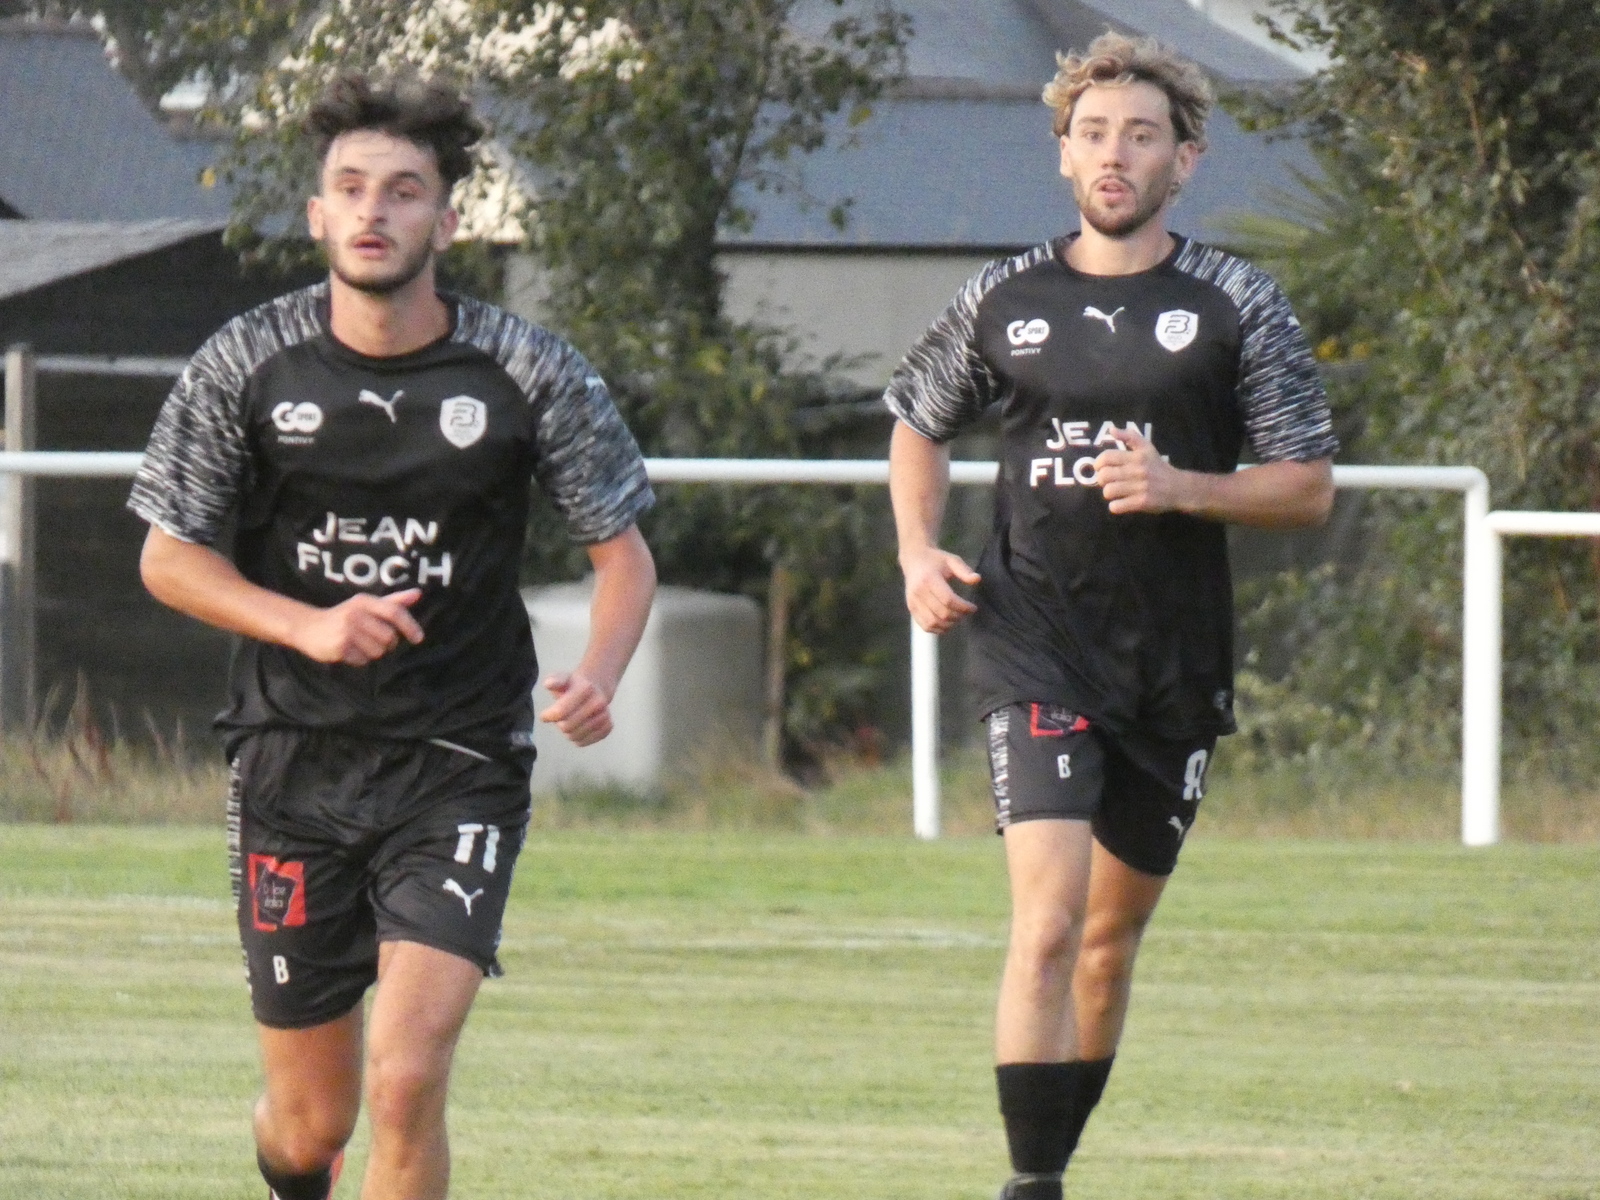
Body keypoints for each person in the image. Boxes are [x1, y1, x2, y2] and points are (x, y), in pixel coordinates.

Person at [128, 73, 657, 1200]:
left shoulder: (528, 372)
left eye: (404, 191)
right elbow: (168, 558)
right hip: (290, 761)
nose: (375, 210)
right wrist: (305, 626)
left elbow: (623, 554)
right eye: (350, 189)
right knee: (311, 1124)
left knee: (406, 1078)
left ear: (447, 219)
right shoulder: (246, 362)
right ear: (316, 215)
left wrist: (601, 674)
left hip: (457, 763)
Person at [885, 32, 1337, 1200]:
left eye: (1141, 134)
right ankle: (1030, 1187)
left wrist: (1184, 486)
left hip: (1171, 665)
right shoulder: (1005, 296)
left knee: (1104, 942)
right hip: (1032, 642)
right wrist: (915, 552)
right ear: (1062, 155)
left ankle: (1052, 1159)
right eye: (1092, 133)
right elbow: (917, 423)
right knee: (1046, 920)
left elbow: (1306, 484)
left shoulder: (1236, 301)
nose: (1114, 153)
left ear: (1182, 162)